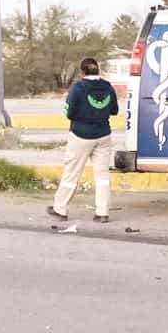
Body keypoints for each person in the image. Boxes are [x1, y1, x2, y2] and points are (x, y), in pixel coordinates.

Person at [48, 57, 119, 223]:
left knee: (71, 173)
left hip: (80, 135)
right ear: (98, 70)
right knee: (102, 176)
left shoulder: (78, 88)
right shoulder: (108, 87)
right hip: (103, 135)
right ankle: (102, 213)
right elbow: (114, 110)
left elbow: (69, 113)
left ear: (82, 72)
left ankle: (60, 209)